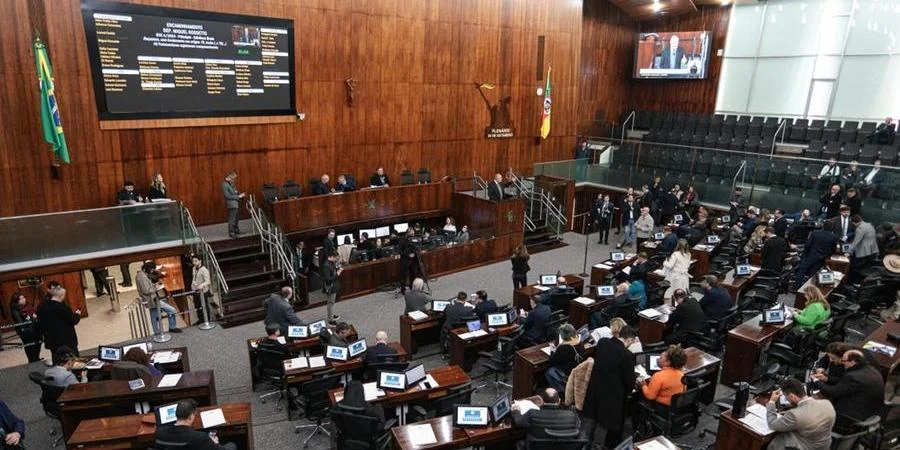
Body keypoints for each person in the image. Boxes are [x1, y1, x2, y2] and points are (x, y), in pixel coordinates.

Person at [582, 326, 638, 448]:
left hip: (594, 390)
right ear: (629, 339)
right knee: (602, 427)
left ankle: (581, 445)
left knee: (589, 421)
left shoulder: (603, 343)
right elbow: (629, 382)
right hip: (611, 397)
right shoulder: (626, 355)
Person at [816, 349, 886, 431]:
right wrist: (827, 379)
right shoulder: (872, 370)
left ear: (852, 362)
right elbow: (845, 383)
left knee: (819, 413)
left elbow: (833, 392)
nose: (842, 363)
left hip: (850, 417)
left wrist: (816, 381)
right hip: (870, 413)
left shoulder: (853, 376)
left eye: (844, 361)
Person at [765, 378, 836, 450]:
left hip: (806, 447)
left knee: (777, 437)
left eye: (786, 397)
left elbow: (772, 424)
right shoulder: (827, 403)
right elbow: (809, 413)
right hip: (824, 446)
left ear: (792, 396)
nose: (787, 400)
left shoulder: (795, 415)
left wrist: (772, 402)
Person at [154, 399, 237, 450]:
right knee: (232, 445)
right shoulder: (199, 437)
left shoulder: (159, 432)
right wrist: (215, 443)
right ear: (190, 417)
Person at [512, 387, 580, 439]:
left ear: (543, 401)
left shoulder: (532, 413)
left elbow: (518, 422)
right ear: (559, 401)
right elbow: (577, 429)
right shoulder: (571, 416)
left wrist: (516, 410)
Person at [37, 286, 81, 360]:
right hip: (66, 341)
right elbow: (73, 320)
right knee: (72, 360)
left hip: (52, 340)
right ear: (61, 296)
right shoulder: (63, 308)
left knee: (56, 359)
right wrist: (77, 314)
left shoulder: (41, 307)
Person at [137, 262, 181, 334]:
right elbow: (146, 290)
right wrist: (157, 288)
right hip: (152, 299)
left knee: (154, 316)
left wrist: (154, 285)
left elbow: (146, 287)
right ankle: (171, 327)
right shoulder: (142, 277)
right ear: (146, 269)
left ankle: (157, 332)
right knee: (171, 310)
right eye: (151, 270)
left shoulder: (141, 275)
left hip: (151, 299)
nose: (151, 271)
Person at [795, 221, 839, 287]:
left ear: (823, 226)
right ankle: (809, 289)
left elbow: (807, 245)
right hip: (821, 258)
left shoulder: (815, 233)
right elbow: (833, 249)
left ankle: (797, 287)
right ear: (832, 227)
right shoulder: (834, 237)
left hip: (810, 255)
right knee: (813, 274)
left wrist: (805, 253)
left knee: (802, 271)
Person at [545, 325, 583, 396]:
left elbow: (552, 362)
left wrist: (552, 351)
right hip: (576, 369)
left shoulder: (563, 348)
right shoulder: (580, 343)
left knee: (549, 372)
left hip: (566, 372)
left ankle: (561, 392)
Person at [9, 293, 41, 363]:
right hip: (27, 332)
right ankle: (32, 360)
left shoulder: (28, 306)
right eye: (21, 299)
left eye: (24, 297)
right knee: (30, 347)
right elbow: (20, 322)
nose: (24, 299)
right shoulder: (15, 311)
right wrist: (32, 318)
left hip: (35, 329)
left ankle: (37, 358)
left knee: (38, 344)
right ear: (16, 301)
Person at [848, 215, 879, 284]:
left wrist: (849, 251)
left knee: (854, 268)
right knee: (864, 268)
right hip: (872, 251)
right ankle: (861, 282)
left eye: (853, 224)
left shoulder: (860, 228)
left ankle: (854, 283)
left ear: (855, 222)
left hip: (863, 252)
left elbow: (856, 241)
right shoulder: (869, 225)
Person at [190, 256, 213, 326]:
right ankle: (201, 320)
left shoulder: (204, 270)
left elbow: (208, 281)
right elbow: (194, 277)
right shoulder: (193, 268)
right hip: (195, 291)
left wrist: (202, 285)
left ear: (200, 261)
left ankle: (207, 320)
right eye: (193, 261)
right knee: (197, 307)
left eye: (196, 261)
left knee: (204, 306)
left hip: (203, 292)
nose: (194, 263)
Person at [221, 171, 245, 238]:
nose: (233, 180)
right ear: (227, 177)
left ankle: (236, 230)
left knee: (236, 218)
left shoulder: (231, 184)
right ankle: (231, 233)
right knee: (232, 219)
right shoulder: (224, 185)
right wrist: (238, 196)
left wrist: (239, 194)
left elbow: (234, 191)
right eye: (232, 178)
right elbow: (227, 196)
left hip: (236, 203)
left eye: (234, 178)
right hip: (231, 204)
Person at [323, 253, 342, 324]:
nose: (336, 260)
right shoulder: (326, 265)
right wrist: (337, 274)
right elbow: (328, 279)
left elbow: (333, 271)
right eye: (336, 258)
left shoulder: (331, 263)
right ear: (331, 256)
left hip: (334, 285)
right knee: (330, 303)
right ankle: (330, 320)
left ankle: (331, 315)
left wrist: (337, 268)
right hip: (330, 286)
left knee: (332, 302)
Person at [398, 229, 419, 294]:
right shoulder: (402, 240)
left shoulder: (413, 239)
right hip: (405, 260)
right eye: (412, 234)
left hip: (413, 260)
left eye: (413, 234)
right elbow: (400, 252)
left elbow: (416, 248)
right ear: (407, 233)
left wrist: (414, 253)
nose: (413, 235)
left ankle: (412, 287)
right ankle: (403, 289)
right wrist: (408, 255)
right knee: (404, 275)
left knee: (413, 274)